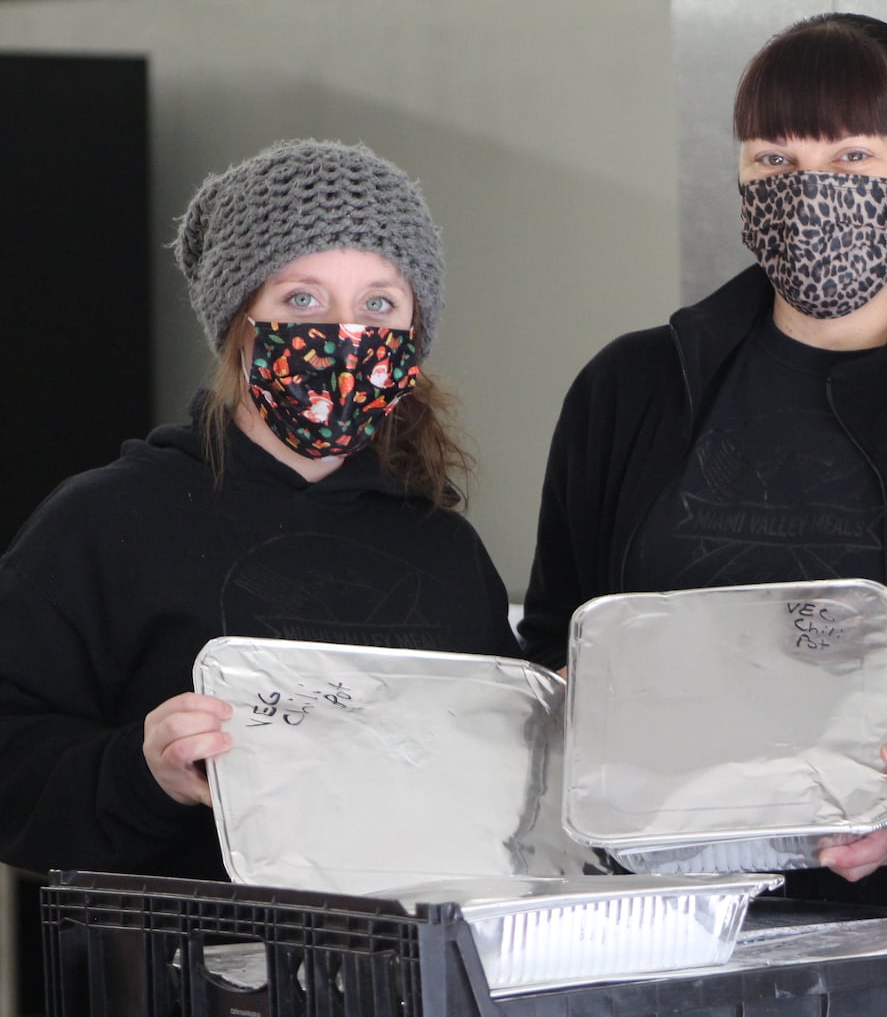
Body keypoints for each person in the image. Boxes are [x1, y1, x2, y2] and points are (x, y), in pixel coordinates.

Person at [519, 13, 887, 899]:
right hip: (650, 913)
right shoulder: (631, 389)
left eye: (854, 159)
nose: (810, 191)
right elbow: (556, 644)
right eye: (774, 162)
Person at [0, 140, 521, 882]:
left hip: (407, 982)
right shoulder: (107, 522)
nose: (344, 332)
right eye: (302, 299)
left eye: (378, 303)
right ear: (240, 323)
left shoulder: (444, 550)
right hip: (182, 978)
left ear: (411, 336)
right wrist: (138, 773)